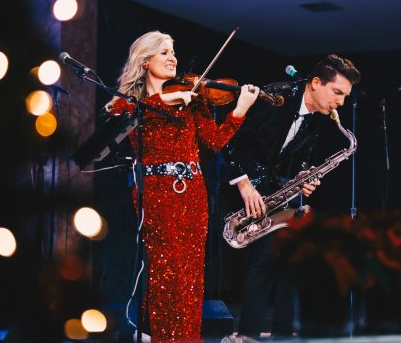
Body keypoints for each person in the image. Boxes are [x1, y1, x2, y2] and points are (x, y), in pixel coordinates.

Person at [106, 31, 259, 341]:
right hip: (157, 194)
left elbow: (215, 141)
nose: (172, 57)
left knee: (191, 279)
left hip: (193, 194)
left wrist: (240, 109)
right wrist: (167, 98)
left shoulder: (193, 100)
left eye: (173, 51)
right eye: (164, 52)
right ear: (145, 61)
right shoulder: (131, 104)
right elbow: (120, 118)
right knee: (167, 276)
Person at [224, 54, 361, 338]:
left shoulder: (320, 117)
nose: (341, 103)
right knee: (264, 260)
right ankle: (247, 335)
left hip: (277, 191)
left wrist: (302, 177)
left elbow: (298, 156)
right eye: (337, 92)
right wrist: (245, 185)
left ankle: (283, 335)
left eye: (345, 96)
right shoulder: (275, 97)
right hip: (244, 186)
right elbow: (231, 138)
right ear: (315, 83)